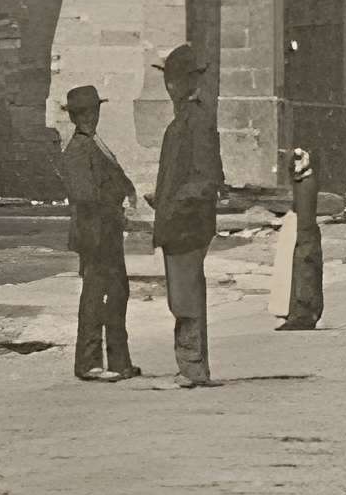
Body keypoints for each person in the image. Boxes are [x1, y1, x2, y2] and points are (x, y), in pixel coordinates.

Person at [145, 43, 225, 389]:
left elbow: (206, 179)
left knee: (185, 296)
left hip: (186, 225)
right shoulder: (184, 121)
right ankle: (192, 366)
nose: (169, 87)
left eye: (172, 81)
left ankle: (192, 368)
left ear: (178, 84)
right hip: (178, 221)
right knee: (182, 295)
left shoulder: (196, 122)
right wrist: (161, 199)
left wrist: (172, 203)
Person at [58, 82, 140, 383]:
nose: (89, 118)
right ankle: (88, 362)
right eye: (83, 114)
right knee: (95, 296)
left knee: (118, 292)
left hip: (107, 231)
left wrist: (128, 194)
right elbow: (86, 197)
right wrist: (118, 210)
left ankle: (120, 362)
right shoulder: (78, 150)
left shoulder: (96, 144)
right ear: (74, 118)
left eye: (93, 112)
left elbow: (115, 179)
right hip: (94, 234)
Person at [270, 144, 325, 330]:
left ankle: (304, 313)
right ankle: (299, 311)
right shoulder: (301, 181)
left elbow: (306, 217)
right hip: (300, 232)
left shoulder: (307, 183)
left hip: (304, 234)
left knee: (304, 266)